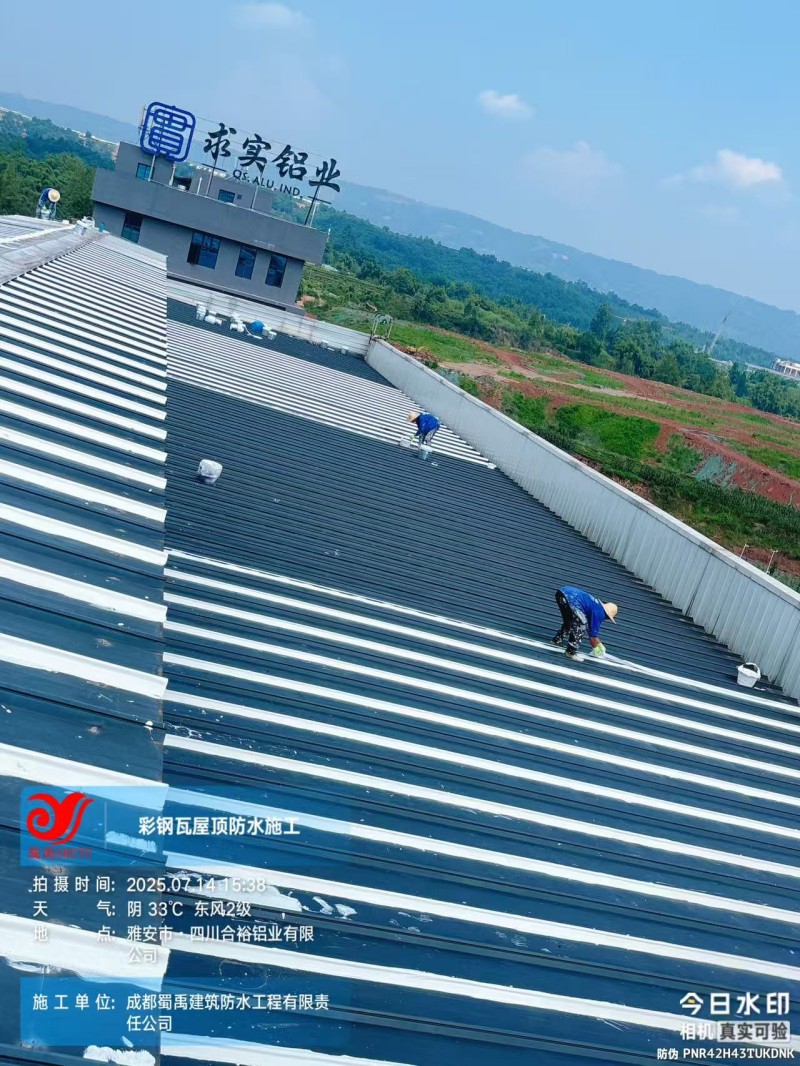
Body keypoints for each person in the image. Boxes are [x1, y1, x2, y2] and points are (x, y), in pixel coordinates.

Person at [552, 586, 618, 659]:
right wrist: (595, 648)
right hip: (572, 599)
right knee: (581, 625)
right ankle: (570, 652)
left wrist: (599, 643)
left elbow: (591, 630)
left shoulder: (596, 607)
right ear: (608, 615)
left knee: (570, 621)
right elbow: (592, 636)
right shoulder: (600, 613)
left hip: (562, 593)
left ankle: (557, 640)